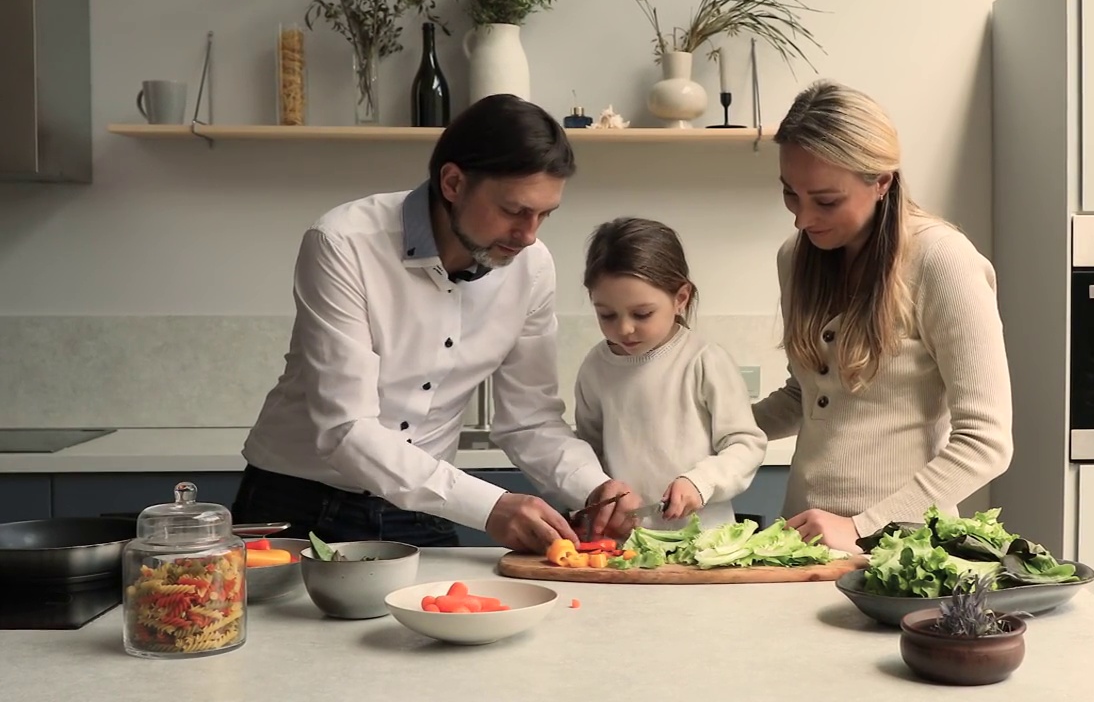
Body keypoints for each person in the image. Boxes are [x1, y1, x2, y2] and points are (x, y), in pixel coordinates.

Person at [231, 94, 640, 553]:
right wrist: (490, 506)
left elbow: (529, 419)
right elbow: (346, 429)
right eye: (514, 210)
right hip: (295, 501)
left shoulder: (533, 267)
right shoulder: (343, 242)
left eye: (544, 214)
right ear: (452, 183)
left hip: (421, 511)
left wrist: (593, 486)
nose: (528, 235)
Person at [751, 80, 1014, 553]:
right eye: (791, 194)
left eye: (826, 201)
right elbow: (806, 395)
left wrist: (859, 527)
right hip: (797, 540)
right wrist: (705, 436)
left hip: (902, 549)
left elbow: (986, 442)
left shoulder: (942, 260)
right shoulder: (795, 257)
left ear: (881, 181)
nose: (802, 219)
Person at [572, 217, 767, 531]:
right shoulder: (596, 367)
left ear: (680, 298)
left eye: (642, 313)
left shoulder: (704, 361)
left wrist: (700, 482)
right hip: (626, 544)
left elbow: (746, 444)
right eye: (606, 314)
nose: (623, 328)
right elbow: (588, 453)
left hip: (705, 542)